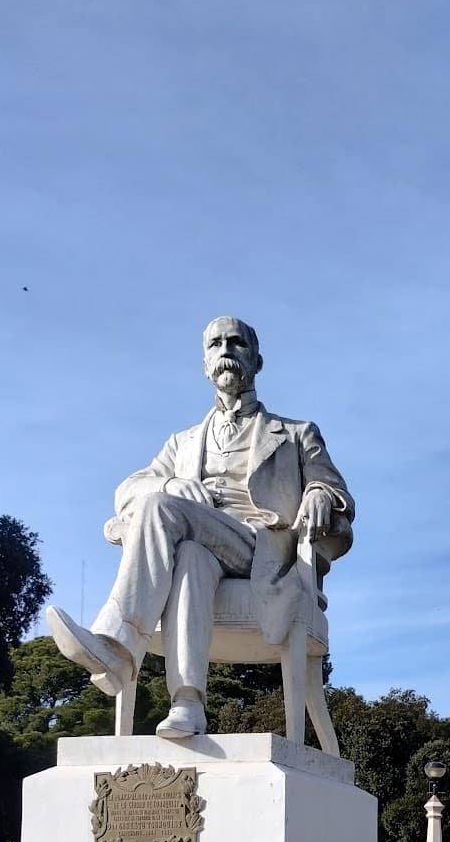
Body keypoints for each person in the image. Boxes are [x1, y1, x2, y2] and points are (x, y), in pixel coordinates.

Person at [46, 317, 354, 739]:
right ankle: (188, 702)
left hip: (261, 549)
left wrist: (318, 492)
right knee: (188, 554)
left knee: (159, 507)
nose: (226, 350)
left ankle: (117, 645)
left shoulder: (297, 434)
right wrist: (173, 483)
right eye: (215, 344)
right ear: (205, 363)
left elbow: (338, 493)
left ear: (256, 360)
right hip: (203, 548)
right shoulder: (183, 442)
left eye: (236, 342)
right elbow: (126, 491)